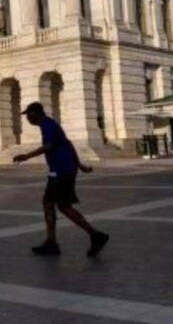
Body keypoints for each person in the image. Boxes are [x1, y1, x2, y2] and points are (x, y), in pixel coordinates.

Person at [13, 102, 109, 257]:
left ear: (36, 113)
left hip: (61, 171)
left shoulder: (47, 124)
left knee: (61, 205)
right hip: (63, 169)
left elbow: (49, 146)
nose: (27, 118)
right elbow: (68, 143)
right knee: (51, 203)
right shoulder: (50, 124)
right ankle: (52, 242)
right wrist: (79, 165)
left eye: (28, 115)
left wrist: (26, 156)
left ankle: (94, 235)